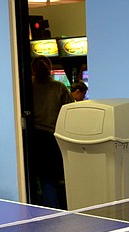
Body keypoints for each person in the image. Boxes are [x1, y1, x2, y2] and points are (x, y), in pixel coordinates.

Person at [29, 55, 73, 209]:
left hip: (31, 138)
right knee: (50, 180)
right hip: (51, 139)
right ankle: (52, 212)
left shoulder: (27, 88)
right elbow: (70, 112)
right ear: (51, 69)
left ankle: (39, 210)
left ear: (32, 70)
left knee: (34, 179)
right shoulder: (59, 88)